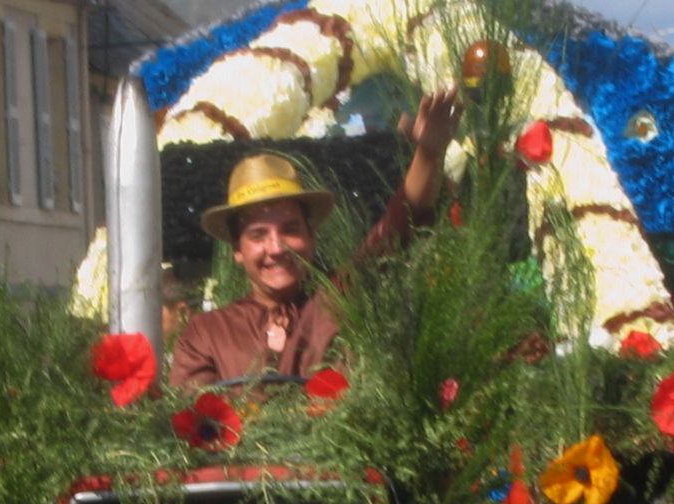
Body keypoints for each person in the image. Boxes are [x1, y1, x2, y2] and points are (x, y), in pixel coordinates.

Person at [168, 87, 462, 389]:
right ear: (237, 250)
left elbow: (398, 226)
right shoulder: (205, 333)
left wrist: (428, 154)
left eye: (290, 229)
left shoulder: (341, 299)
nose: (277, 247)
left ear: (311, 235)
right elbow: (191, 422)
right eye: (258, 235)